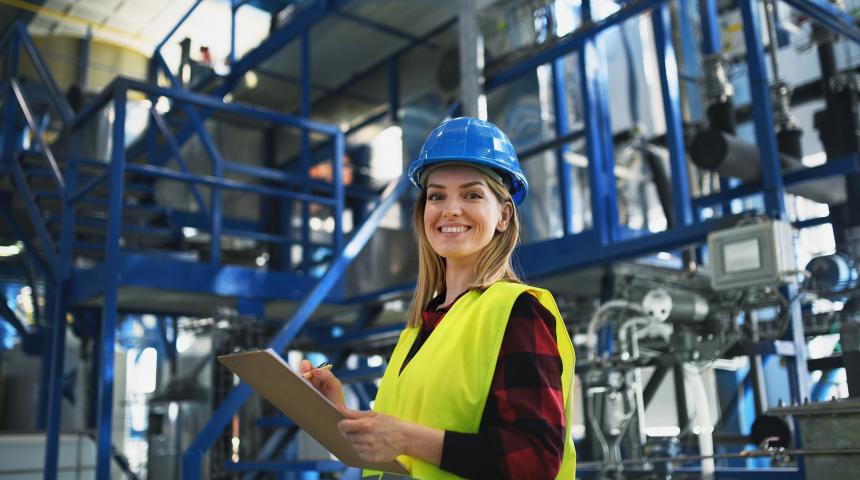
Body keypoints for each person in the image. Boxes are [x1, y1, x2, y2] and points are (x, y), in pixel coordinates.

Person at [300, 117, 576, 479]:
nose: (450, 209)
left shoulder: (518, 311)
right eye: (437, 195)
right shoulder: (422, 326)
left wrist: (405, 438)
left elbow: (536, 460)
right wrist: (336, 412)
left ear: (504, 215)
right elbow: (399, 457)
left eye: (472, 194)